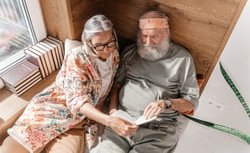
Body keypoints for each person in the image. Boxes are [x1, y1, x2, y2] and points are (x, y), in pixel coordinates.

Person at [0, 14, 137, 153]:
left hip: (78, 121)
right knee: (15, 147)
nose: (106, 49)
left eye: (110, 42)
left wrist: (113, 111)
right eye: (99, 46)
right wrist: (109, 121)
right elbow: (77, 100)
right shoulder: (77, 57)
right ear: (89, 43)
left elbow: (113, 87)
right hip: (52, 108)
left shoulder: (114, 56)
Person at [92, 11, 200, 153]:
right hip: (123, 122)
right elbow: (116, 86)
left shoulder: (183, 59)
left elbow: (191, 102)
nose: (148, 42)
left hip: (158, 130)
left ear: (166, 33)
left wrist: (166, 103)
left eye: (154, 36)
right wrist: (113, 112)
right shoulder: (130, 52)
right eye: (144, 36)